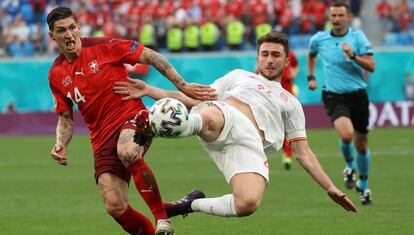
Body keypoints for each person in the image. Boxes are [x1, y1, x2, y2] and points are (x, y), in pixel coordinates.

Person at [113, 31, 357, 220]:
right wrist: (148, 89)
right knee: (210, 114)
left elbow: (303, 153)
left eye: (276, 55)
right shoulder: (240, 76)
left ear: (286, 61)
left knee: (247, 203)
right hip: (222, 117)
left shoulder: (291, 102)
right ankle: (154, 126)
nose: (269, 60)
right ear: (258, 57)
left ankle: (191, 203)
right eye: (265, 54)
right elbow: (197, 98)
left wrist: (330, 187)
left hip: (249, 145)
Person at [47, 7, 214, 235]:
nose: (69, 34)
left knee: (127, 150)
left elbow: (151, 56)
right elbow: (66, 118)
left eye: (72, 27)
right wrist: (61, 143)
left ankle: (162, 220)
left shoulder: (104, 46)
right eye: (61, 30)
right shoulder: (56, 74)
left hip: (132, 116)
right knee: (115, 206)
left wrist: (182, 85)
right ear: (52, 36)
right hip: (100, 139)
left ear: (79, 27)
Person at [307, 1, 375, 205]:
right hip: (334, 96)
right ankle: (349, 166)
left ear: (348, 17)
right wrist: (311, 76)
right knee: (346, 135)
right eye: (333, 15)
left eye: (340, 16)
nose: (336, 19)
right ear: (329, 17)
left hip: (358, 95)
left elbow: (371, 66)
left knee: (361, 145)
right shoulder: (319, 38)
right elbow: (311, 55)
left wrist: (353, 56)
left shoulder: (357, 37)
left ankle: (363, 183)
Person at [280, 50, 299, 170]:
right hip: (274, 99)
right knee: (280, 129)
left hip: (289, 97)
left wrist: (293, 74)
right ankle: (286, 151)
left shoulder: (290, 54)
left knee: (289, 128)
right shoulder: (268, 60)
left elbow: (296, 65)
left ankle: (288, 154)